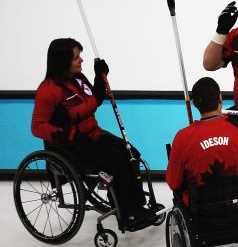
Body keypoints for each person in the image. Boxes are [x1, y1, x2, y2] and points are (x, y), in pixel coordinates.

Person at [31, 38, 153, 229]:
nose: (81, 61)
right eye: (76, 57)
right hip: (72, 146)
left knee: (131, 154)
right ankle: (127, 215)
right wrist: (67, 135)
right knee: (117, 161)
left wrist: (99, 76)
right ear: (62, 62)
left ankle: (137, 207)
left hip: (93, 136)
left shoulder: (78, 79)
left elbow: (95, 99)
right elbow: (37, 127)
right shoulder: (47, 91)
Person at [166, 77, 238, 247]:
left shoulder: (183, 138)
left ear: (194, 104)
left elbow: (173, 181)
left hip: (204, 218)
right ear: (220, 99)